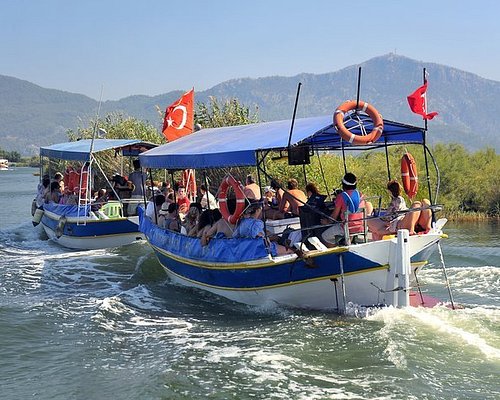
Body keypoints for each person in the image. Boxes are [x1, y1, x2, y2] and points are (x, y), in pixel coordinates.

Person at [321, 173, 372, 246]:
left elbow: (334, 217)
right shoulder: (360, 194)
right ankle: (347, 244)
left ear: (343, 185)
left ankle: (336, 254)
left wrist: (326, 222)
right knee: (348, 226)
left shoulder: (341, 196)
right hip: (362, 226)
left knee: (324, 236)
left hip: (347, 228)